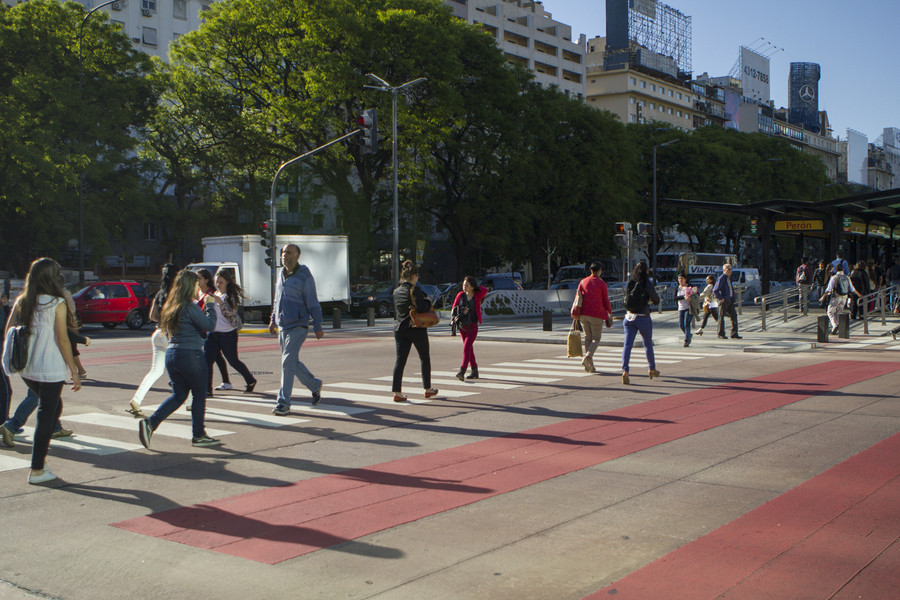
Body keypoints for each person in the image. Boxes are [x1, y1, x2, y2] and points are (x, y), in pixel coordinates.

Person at [1, 258, 81, 484]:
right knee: (46, 416)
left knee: (50, 408)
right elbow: (63, 340)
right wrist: (74, 371)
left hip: (27, 367)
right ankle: (37, 469)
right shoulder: (57, 302)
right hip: (50, 366)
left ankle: (39, 462)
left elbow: (9, 331)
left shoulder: (23, 300)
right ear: (53, 277)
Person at [138, 268, 222, 449]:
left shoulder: (171, 306)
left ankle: (151, 423)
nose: (198, 287)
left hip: (172, 355)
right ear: (190, 286)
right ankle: (198, 435)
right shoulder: (189, 306)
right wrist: (210, 306)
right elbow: (210, 325)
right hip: (191, 354)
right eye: (196, 284)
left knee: (179, 395)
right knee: (199, 395)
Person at [268, 243, 324, 415]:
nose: (284, 255)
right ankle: (314, 385)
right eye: (283, 252)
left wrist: (318, 325)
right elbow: (277, 299)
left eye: (289, 252)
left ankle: (283, 403)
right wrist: (272, 320)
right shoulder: (281, 273)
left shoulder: (305, 276)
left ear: (297, 256)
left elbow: (313, 302)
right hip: (283, 325)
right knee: (291, 362)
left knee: (286, 362)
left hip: (298, 325)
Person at [127, 263, 178, 418]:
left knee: (155, 371)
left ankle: (137, 399)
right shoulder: (177, 294)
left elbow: (152, 316)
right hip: (172, 335)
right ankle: (190, 402)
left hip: (158, 332)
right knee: (182, 371)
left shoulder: (160, 294)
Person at [391, 260, 438, 402]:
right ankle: (427, 388)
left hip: (399, 329)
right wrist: (428, 302)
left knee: (400, 361)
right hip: (416, 328)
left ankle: (397, 392)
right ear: (414, 276)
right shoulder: (415, 290)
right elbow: (421, 307)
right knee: (424, 358)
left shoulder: (396, 291)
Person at [205, 270, 256, 393]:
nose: (218, 284)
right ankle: (207, 390)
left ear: (227, 282)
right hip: (213, 333)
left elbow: (231, 315)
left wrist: (221, 302)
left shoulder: (230, 296)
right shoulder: (214, 294)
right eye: (216, 281)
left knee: (233, 361)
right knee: (207, 360)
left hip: (227, 334)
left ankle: (250, 380)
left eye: (221, 282)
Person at [621, 261, 660, 384]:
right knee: (647, 344)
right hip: (643, 317)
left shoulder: (630, 283)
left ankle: (625, 371)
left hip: (629, 318)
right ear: (646, 271)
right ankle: (651, 369)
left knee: (627, 345)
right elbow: (656, 300)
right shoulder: (646, 283)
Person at [196, 269, 232, 393]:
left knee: (231, 360)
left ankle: (209, 388)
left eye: (200, 278)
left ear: (206, 279)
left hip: (214, 330)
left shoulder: (211, 294)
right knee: (213, 359)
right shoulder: (198, 292)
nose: (197, 281)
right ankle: (214, 386)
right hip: (208, 331)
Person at [572, 263, 612, 373]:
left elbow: (578, 297)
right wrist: (609, 312)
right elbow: (606, 300)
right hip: (596, 314)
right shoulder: (601, 283)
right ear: (599, 271)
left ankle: (590, 366)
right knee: (596, 339)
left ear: (591, 270)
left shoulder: (583, 281)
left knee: (588, 338)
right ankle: (587, 357)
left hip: (583, 314)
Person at [451, 275, 489, 380]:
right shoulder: (460, 295)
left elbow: (485, 289)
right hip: (462, 326)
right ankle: (474, 370)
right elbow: (454, 308)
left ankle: (462, 371)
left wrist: (476, 286)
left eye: (466, 285)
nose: (464, 287)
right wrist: (461, 312)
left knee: (467, 347)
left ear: (472, 287)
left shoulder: (477, 295)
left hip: (473, 325)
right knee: (469, 349)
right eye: (463, 285)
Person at [819, 262, 859, 335]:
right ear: (843, 269)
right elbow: (852, 289)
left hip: (836, 297)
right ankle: (838, 327)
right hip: (844, 297)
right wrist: (860, 295)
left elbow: (828, 289)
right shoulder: (847, 277)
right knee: (839, 313)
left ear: (836, 269)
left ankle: (834, 325)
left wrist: (823, 297)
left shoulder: (834, 277)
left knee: (830, 312)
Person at [713, 263, 741, 340]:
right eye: (728, 269)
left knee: (734, 316)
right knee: (721, 317)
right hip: (724, 301)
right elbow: (715, 290)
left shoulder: (729, 278)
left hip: (730, 300)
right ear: (724, 270)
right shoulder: (721, 278)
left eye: (731, 269)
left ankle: (734, 333)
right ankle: (721, 334)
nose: (730, 271)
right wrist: (721, 298)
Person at [675, 273, 697, 347]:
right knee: (681, 324)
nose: (680, 280)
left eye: (682, 278)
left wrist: (691, 297)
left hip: (689, 307)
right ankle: (688, 334)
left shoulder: (691, 286)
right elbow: (675, 298)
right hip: (681, 308)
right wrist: (683, 297)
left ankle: (687, 340)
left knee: (686, 323)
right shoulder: (677, 288)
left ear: (685, 279)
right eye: (679, 279)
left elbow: (697, 295)